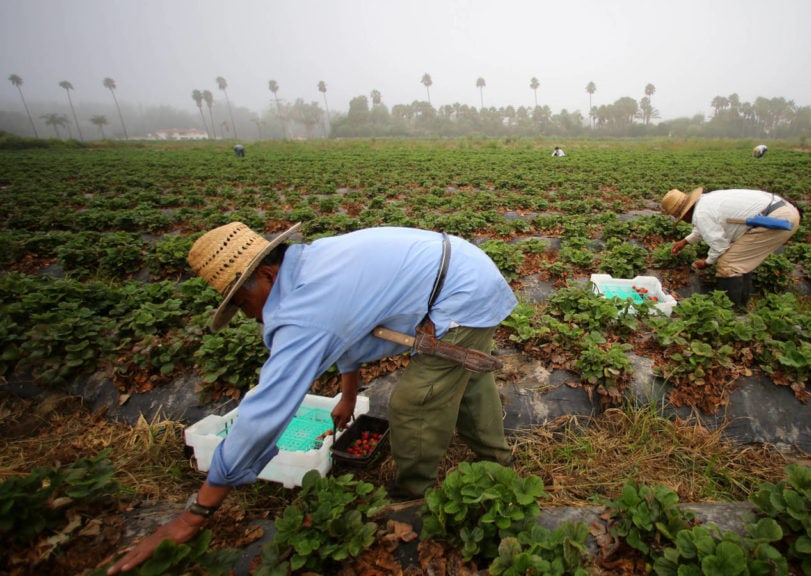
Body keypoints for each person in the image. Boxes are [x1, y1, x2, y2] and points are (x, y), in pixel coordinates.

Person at [107, 223, 517, 574]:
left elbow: (266, 412)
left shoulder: (306, 306)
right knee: (466, 375)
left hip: (462, 291)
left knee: (416, 402)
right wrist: (347, 394)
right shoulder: (309, 265)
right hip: (463, 266)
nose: (252, 316)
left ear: (267, 274)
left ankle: (411, 494)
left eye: (246, 303)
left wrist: (197, 513)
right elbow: (352, 330)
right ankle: (496, 459)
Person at [662, 188, 800, 308]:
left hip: (777, 220)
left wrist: (707, 262)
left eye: (680, 216)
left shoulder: (701, 213)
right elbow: (704, 228)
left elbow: (720, 246)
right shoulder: (705, 202)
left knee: (729, 263)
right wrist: (684, 242)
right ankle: (741, 306)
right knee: (740, 261)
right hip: (783, 211)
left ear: (685, 212)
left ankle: (729, 310)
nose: (683, 220)